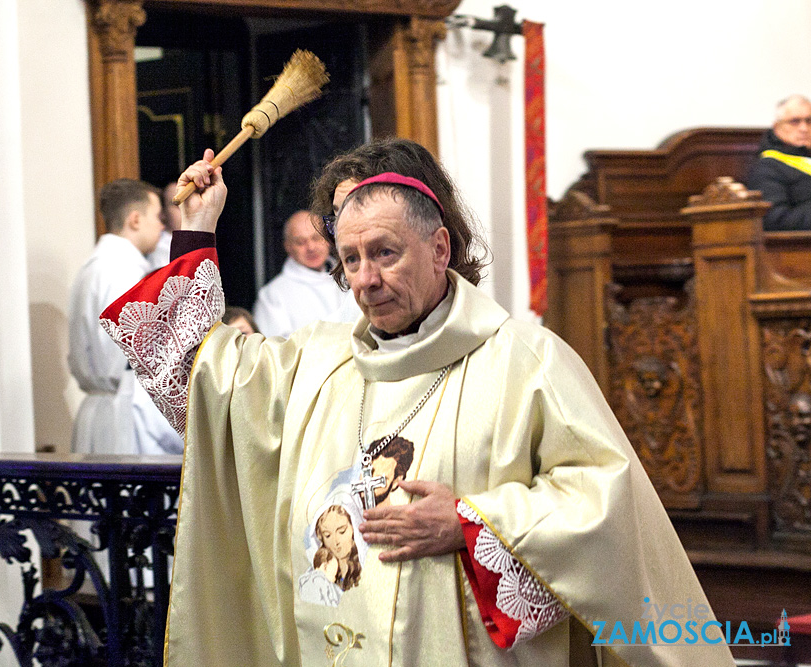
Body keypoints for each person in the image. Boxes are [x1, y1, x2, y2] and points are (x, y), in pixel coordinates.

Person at [99, 141, 732, 665]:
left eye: (384, 253)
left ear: (439, 248)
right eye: (350, 260)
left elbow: (605, 503)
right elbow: (202, 377)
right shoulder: (315, 361)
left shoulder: (527, 361)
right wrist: (197, 228)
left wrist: (473, 523)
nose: (367, 279)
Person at [68, 178, 182, 457]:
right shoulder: (123, 272)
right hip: (125, 414)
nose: (162, 225)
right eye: (157, 217)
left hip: (102, 411)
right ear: (135, 220)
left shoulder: (94, 266)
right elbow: (139, 356)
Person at [252, 210, 359, 337]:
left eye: (316, 238)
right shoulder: (272, 296)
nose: (311, 247)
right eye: (301, 242)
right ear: (288, 247)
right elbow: (274, 349)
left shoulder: (351, 277)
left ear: (328, 240)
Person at [747, 94, 811, 230]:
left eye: (809, 121)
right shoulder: (767, 168)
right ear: (777, 127)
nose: (804, 128)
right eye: (795, 121)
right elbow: (775, 220)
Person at [146, 181, 181, 268]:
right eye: (177, 204)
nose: (185, 209)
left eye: (189, 202)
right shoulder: (158, 249)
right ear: (163, 212)